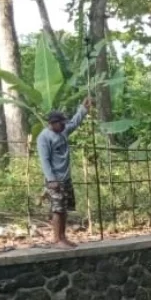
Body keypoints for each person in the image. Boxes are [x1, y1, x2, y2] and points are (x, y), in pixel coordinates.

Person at [37, 98, 91, 248]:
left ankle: (63, 236)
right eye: (61, 123)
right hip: (55, 180)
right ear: (53, 123)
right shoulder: (44, 137)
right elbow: (45, 160)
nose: (63, 125)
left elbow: (74, 123)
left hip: (66, 178)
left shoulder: (63, 132)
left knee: (64, 209)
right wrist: (51, 179)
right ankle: (56, 239)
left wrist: (83, 109)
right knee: (57, 209)